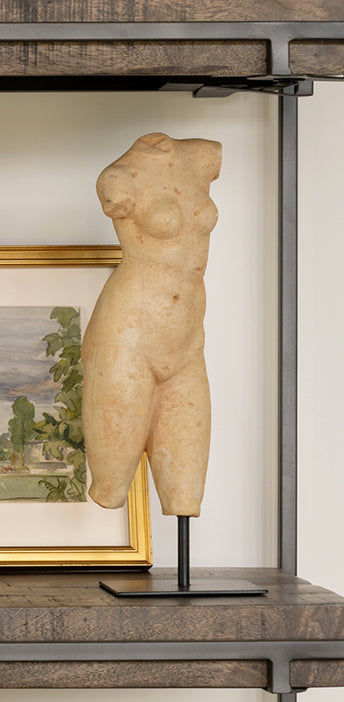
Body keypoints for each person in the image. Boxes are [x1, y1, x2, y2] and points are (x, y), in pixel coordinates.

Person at [82, 131, 222, 517]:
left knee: (186, 497)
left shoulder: (200, 157)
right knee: (109, 486)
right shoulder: (119, 179)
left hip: (188, 342)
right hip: (130, 336)